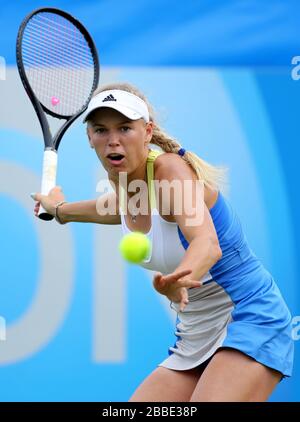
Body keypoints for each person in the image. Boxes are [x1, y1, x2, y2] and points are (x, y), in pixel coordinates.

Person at [31, 82, 294, 402]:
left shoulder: (170, 169)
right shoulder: (128, 186)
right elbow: (113, 209)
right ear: (89, 137)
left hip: (249, 318)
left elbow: (207, 244)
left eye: (125, 128)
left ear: (147, 131)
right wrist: (59, 209)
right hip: (195, 334)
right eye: (101, 129)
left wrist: (181, 277)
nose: (113, 140)